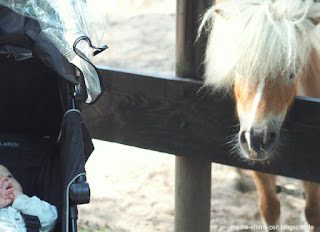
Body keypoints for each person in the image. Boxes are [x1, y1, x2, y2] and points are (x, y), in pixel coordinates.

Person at [0, 165, 57, 232]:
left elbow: (49, 219)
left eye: (9, 176)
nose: (4, 179)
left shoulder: (31, 207)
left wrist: (20, 199)